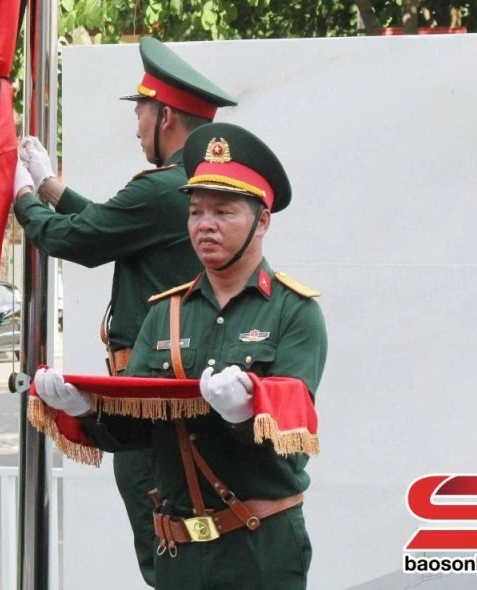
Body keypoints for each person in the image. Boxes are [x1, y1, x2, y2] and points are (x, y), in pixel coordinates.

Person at [34, 123, 327, 590]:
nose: (204, 224)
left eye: (223, 211)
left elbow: (292, 428)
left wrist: (246, 410)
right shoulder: (165, 314)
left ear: (263, 219)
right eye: (195, 211)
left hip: (258, 549)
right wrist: (85, 409)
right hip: (178, 554)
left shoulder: (295, 311)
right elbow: (138, 430)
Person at [11, 36, 236, 585]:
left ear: (165, 117)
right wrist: (49, 186)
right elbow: (115, 226)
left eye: (140, 113)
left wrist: (21, 198)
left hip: (147, 399)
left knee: (164, 551)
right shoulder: (183, 186)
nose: (136, 128)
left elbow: (81, 240)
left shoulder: (163, 189)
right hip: (170, 393)